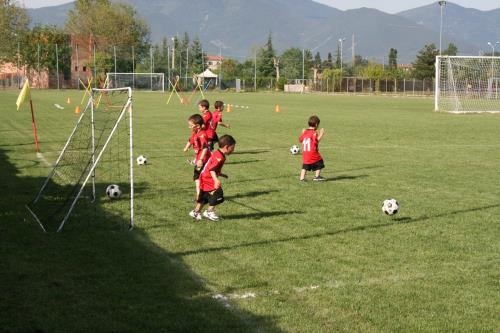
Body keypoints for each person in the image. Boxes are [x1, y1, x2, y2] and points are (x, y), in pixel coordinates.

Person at [189, 134, 236, 221]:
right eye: (232, 148)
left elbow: (212, 167)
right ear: (226, 147)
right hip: (208, 178)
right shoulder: (219, 157)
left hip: (204, 177)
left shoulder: (218, 153)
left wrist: (221, 174)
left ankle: (196, 212)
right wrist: (215, 180)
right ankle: (209, 211)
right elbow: (211, 169)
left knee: (205, 197)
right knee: (219, 194)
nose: (233, 150)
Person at [183, 114, 211, 200]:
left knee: (199, 178)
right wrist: (186, 147)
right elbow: (190, 140)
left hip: (203, 160)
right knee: (197, 178)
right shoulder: (195, 133)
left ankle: (201, 196)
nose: (189, 127)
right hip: (199, 160)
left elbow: (205, 148)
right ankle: (200, 195)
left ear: (198, 126)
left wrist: (201, 160)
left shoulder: (202, 135)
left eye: (191, 125)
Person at [299, 115, 325, 181]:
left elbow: (300, 140)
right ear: (316, 125)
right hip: (312, 152)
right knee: (319, 162)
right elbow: (315, 142)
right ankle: (317, 176)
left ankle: (301, 178)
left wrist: (302, 133)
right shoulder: (314, 133)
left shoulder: (305, 132)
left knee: (305, 165)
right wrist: (321, 134)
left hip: (305, 152)